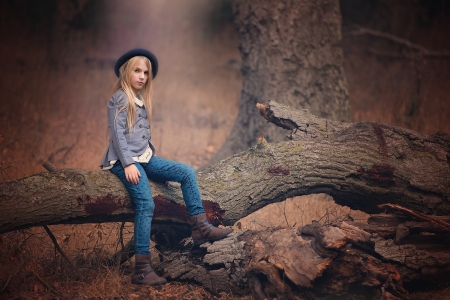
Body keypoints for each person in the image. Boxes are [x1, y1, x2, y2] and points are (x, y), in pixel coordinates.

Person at [100, 48, 233, 286]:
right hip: (124, 161)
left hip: (145, 158)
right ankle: (141, 268)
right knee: (146, 203)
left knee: (186, 172)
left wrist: (158, 173)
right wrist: (128, 163)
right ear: (126, 73)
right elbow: (118, 135)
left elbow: (141, 141)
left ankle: (200, 226)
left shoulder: (140, 99)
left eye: (146, 72)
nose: (142, 76)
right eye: (137, 71)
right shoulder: (120, 98)